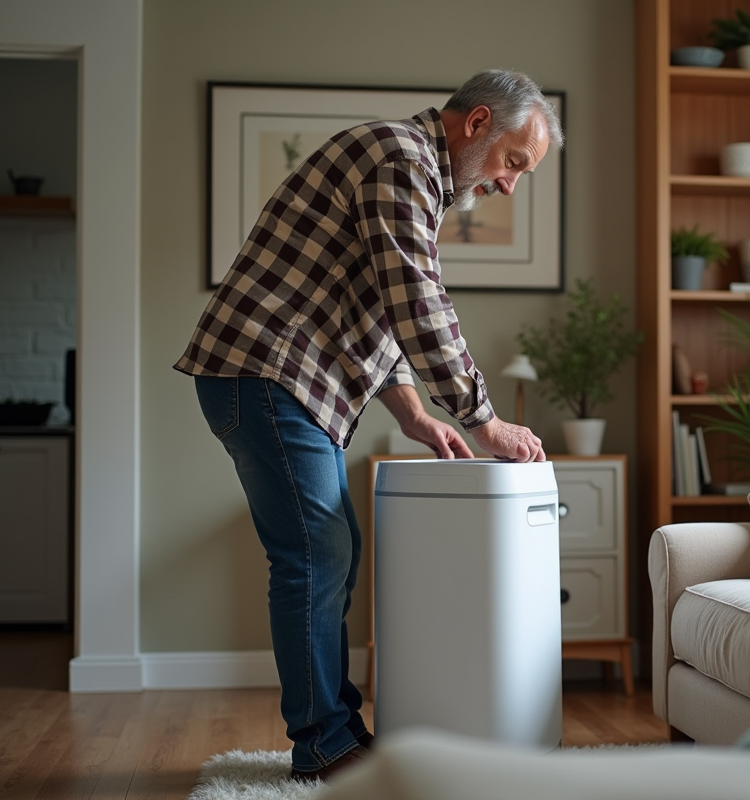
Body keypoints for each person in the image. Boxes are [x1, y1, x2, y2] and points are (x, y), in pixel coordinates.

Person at [173, 69, 563, 782]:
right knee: (315, 554)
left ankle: (336, 735)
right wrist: (484, 419)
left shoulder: (407, 167)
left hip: (277, 380)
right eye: (514, 162)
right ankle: (325, 747)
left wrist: (414, 412)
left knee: (328, 549)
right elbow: (417, 298)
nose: (510, 184)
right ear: (476, 124)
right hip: (266, 374)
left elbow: (374, 304)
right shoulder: (401, 158)